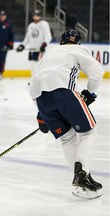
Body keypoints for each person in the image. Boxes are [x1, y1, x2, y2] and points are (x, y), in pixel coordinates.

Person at [29, 29, 104, 199]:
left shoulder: (49, 54)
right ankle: (82, 176)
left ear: (61, 41)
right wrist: (90, 93)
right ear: (78, 42)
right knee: (88, 132)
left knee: (67, 138)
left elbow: (33, 83)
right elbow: (97, 72)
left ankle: (82, 177)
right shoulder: (78, 49)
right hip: (63, 92)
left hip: (41, 98)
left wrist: (40, 113)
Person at [16, 10, 52, 77]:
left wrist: (44, 44)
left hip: (39, 50)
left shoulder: (44, 24)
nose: (36, 17)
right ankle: (33, 81)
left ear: (40, 16)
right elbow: (27, 38)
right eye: (34, 15)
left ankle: (38, 81)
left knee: (39, 67)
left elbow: (48, 36)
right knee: (33, 66)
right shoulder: (31, 25)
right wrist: (22, 45)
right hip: (32, 50)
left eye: (37, 15)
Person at [0, 10, 14, 80]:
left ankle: (1, 72)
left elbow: (11, 35)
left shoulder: (8, 24)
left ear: (5, 16)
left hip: (5, 45)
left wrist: (11, 44)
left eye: (3, 16)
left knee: (2, 59)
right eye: (1, 16)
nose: (2, 17)